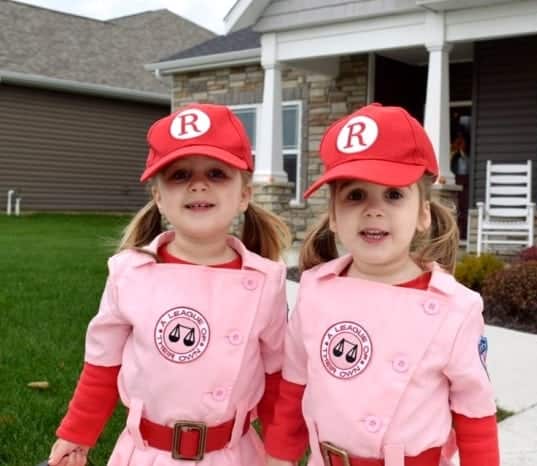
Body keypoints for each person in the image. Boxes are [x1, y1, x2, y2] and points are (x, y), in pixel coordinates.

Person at [47, 103, 291, 466]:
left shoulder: (265, 281)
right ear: (159, 198)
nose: (198, 184)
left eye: (216, 173)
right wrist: (76, 436)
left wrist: (279, 451)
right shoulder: (130, 274)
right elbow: (102, 366)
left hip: (234, 455)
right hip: (147, 454)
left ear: (244, 194)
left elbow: (276, 379)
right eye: (179, 175)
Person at [264, 103, 499, 466]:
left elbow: (475, 414)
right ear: (334, 217)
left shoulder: (456, 308)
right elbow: (293, 389)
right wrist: (278, 458)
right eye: (355, 195)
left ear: (423, 214)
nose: (374, 209)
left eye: (393, 195)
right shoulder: (314, 292)